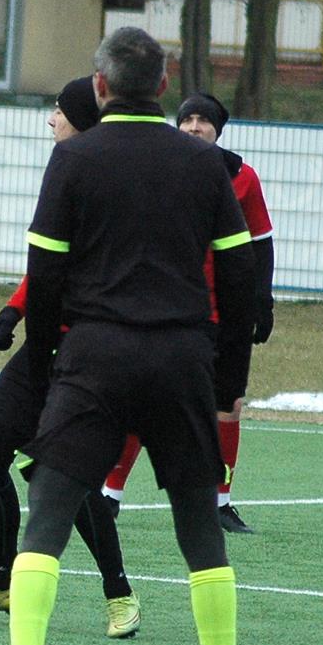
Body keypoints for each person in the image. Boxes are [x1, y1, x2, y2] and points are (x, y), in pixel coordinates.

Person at [0, 27, 260, 645]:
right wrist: (218, 370)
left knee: (47, 517)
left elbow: (46, 279)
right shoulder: (205, 163)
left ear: (100, 88)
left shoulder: (73, 158)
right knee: (200, 529)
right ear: (163, 88)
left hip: (94, 358)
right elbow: (241, 276)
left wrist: (45, 368)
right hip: (180, 360)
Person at [0, 78, 140, 640]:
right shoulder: (66, 170)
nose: (50, 119)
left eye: (57, 110)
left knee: (63, 477)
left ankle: (119, 594)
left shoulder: (104, 183)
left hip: (85, 359)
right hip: (41, 354)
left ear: (81, 119)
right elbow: (48, 265)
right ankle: (0, 584)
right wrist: (13, 311)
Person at [99, 94, 275, 534]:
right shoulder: (154, 168)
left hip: (228, 314)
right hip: (169, 307)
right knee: (143, 398)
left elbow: (261, 243)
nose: (195, 127)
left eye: (204, 121)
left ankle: (220, 503)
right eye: (188, 119)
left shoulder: (242, 176)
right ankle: (109, 496)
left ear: (218, 129)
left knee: (227, 406)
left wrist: (262, 300)